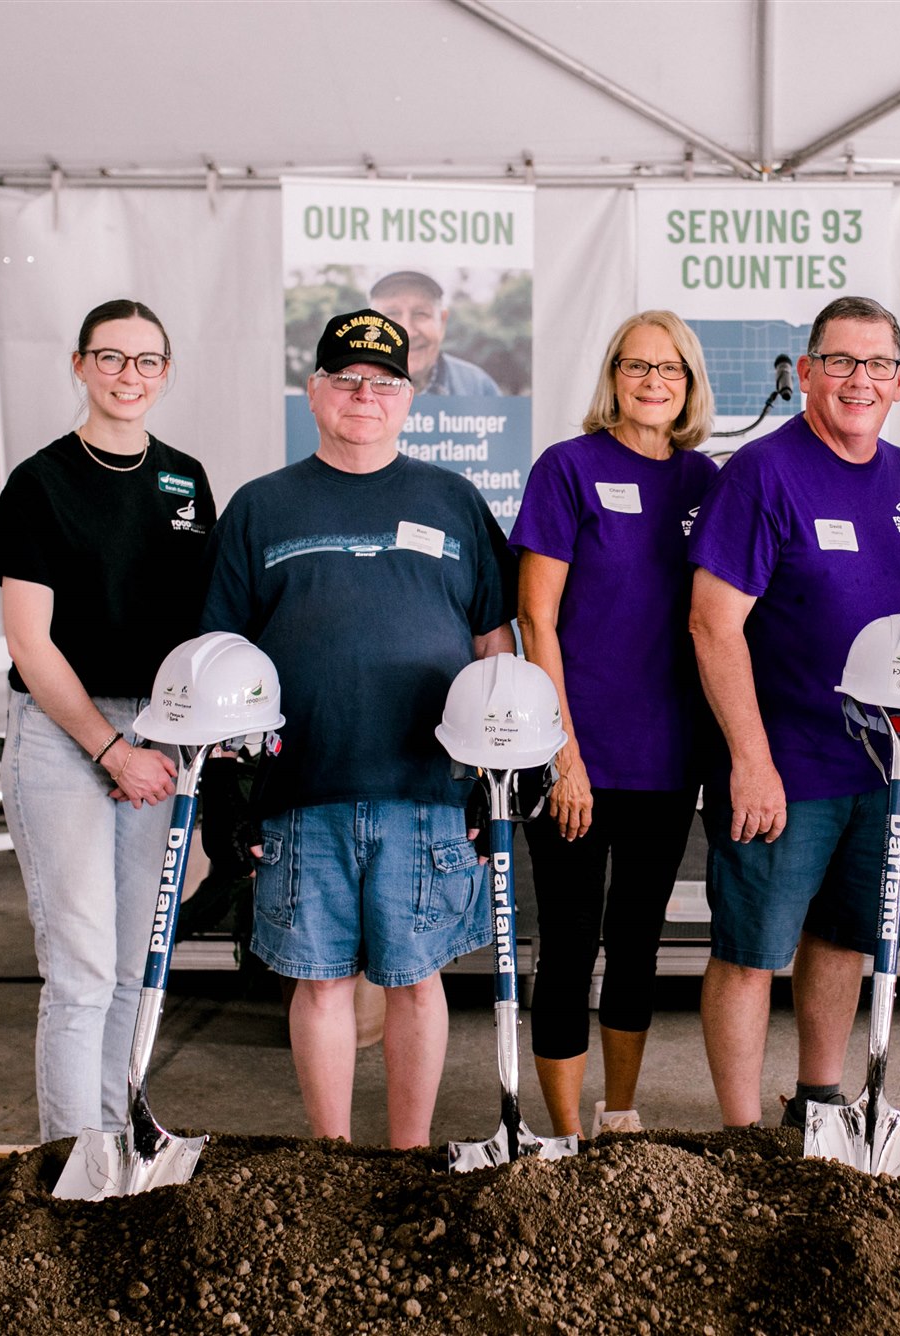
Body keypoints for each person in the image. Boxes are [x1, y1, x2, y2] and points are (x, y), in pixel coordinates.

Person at [202, 309, 516, 1147]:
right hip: (302, 788)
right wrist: (227, 797)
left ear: (410, 398)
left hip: (429, 789)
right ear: (313, 392)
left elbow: (494, 643)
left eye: (383, 382)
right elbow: (222, 657)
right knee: (322, 982)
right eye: (345, 380)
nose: (364, 396)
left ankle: (409, 1157)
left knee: (417, 983)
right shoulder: (260, 508)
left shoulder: (453, 501)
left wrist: (498, 774)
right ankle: (331, 1161)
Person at [686, 295, 900, 1129]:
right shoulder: (763, 472)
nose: (856, 380)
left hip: (879, 769)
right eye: (838, 361)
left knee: (843, 939)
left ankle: (820, 1102)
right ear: (805, 374)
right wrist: (750, 762)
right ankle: (740, 1130)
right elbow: (712, 624)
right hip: (783, 768)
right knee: (750, 951)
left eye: (876, 365)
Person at [0, 299, 215, 1144]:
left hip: (154, 740)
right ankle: (70, 1170)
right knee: (79, 970)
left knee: (128, 969)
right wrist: (112, 748)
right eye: (111, 359)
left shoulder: (185, 479)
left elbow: (199, 630)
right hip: (62, 733)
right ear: (79, 366)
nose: (129, 377)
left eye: (147, 361)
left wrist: (163, 742)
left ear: (167, 373)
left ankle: (116, 1144)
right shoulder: (41, 483)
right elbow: (29, 644)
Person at [508, 311, 719, 1138]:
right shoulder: (569, 468)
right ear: (613, 376)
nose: (655, 381)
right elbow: (536, 616)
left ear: (691, 384)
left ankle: (618, 1115)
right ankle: (562, 1132)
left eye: (672, 369)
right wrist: (563, 752)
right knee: (568, 941)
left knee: (638, 942)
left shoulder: (707, 483)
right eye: (638, 366)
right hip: (576, 754)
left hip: (667, 757)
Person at [369, 270, 502, 396]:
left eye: (421, 314)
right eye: (392, 314)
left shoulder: (479, 388)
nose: (408, 333)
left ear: (442, 323)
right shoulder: (350, 389)